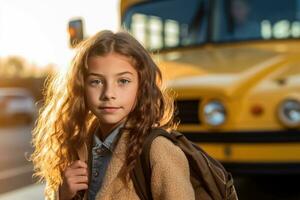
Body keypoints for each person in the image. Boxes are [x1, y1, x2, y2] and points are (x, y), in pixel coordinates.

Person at [31, 30, 195, 200]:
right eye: (96, 81)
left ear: (141, 86)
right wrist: (63, 195)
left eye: (123, 81)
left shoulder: (158, 150)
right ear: (81, 88)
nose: (109, 93)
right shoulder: (79, 146)